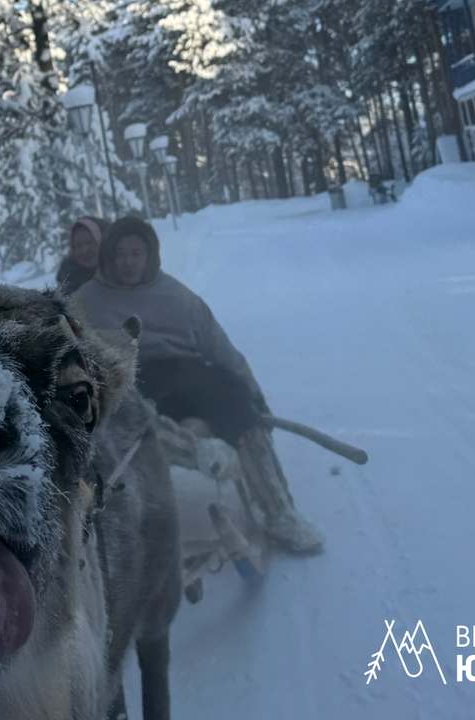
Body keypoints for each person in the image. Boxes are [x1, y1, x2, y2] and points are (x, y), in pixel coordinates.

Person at [73, 215, 323, 556]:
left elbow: (222, 351)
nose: (129, 262)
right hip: (133, 380)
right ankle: (200, 451)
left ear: (150, 255)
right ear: (109, 257)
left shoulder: (178, 295)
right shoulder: (86, 302)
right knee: (126, 414)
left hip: (189, 376)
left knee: (236, 401)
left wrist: (254, 396)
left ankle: (280, 511)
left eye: (136, 253)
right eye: (121, 254)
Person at [55, 215, 107, 295]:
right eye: (78, 246)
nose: (84, 250)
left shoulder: (122, 275)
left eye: (89, 243)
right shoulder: (68, 284)